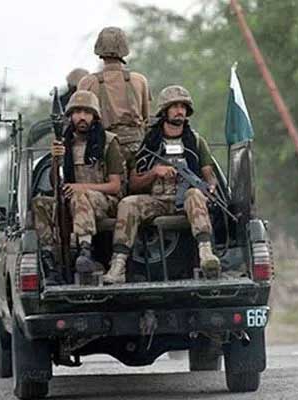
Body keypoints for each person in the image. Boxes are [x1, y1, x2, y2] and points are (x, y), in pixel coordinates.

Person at [103, 85, 221, 284]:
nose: (179, 111)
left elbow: (209, 175)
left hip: (185, 201)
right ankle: (118, 265)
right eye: (174, 106)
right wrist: (154, 172)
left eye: (183, 107)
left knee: (195, 194)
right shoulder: (150, 143)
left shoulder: (196, 142)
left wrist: (209, 187)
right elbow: (134, 183)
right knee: (128, 204)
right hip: (157, 201)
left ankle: (206, 255)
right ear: (164, 111)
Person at [32, 90, 124, 284]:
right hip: (72, 201)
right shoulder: (64, 143)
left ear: (95, 116)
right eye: (77, 112)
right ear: (70, 116)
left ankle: (85, 250)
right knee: (40, 203)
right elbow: (57, 184)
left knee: (80, 196)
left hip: (104, 202)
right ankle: (50, 261)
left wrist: (81, 187)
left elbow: (115, 186)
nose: (82, 117)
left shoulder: (108, 142)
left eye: (87, 112)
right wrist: (57, 159)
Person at [78, 26, 151, 162]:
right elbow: (146, 117)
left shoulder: (87, 82)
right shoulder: (139, 80)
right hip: (136, 148)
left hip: (102, 147)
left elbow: (78, 119)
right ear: (124, 49)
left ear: (99, 49)